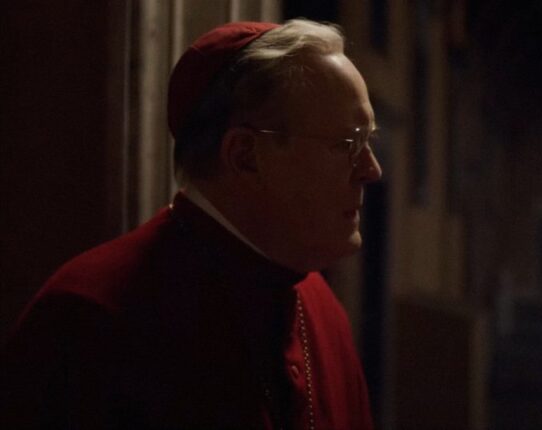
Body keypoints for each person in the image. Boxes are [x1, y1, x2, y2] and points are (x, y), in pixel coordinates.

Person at [1, 19, 381, 429]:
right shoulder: (88, 319)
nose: (371, 170)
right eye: (347, 144)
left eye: (369, 141)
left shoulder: (323, 311)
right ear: (245, 156)